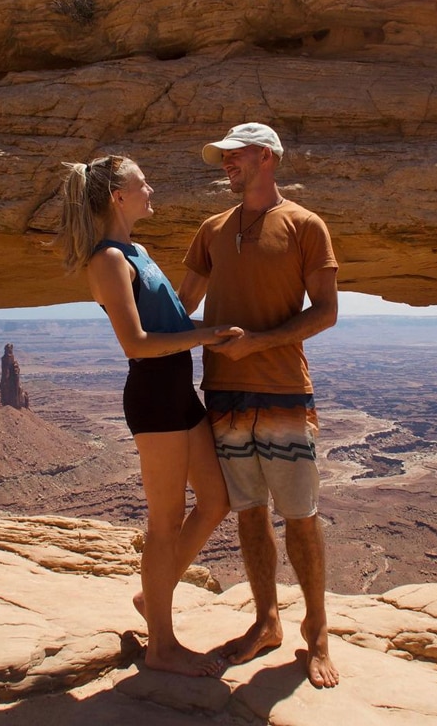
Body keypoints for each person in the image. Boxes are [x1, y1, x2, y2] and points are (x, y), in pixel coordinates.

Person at [54, 154, 240, 677]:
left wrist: (209, 316)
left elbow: (170, 317)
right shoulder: (107, 260)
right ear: (118, 196)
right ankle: (162, 645)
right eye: (143, 183)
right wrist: (205, 335)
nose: (151, 188)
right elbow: (135, 343)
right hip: (155, 398)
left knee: (215, 501)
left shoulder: (138, 250)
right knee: (164, 525)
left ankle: (151, 596)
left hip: (179, 391)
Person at [179, 123, 340, 689]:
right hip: (222, 391)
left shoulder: (304, 225)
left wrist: (257, 342)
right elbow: (184, 303)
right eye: (222, 155)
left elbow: (325, 312)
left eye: (235, 154)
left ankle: (317, 633)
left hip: (281, 389)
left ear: (266, 157)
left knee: (300, 514)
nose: (225, 162)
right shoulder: (212, 228)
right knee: (249, 511)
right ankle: (266, 621)